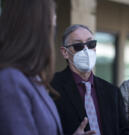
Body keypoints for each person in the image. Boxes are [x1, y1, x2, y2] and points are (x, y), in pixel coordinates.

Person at [0, 1, 95, 135]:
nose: (86, 51)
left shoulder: (32, 77)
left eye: (91, 43)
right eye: (51, 27)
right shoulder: (11, 80)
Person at [51, 24, 129, 135]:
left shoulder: (112, 92)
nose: (86, 50)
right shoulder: (52, 87)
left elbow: (124, 130)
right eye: (78, 46)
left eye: (91, 44)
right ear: (65, 52)